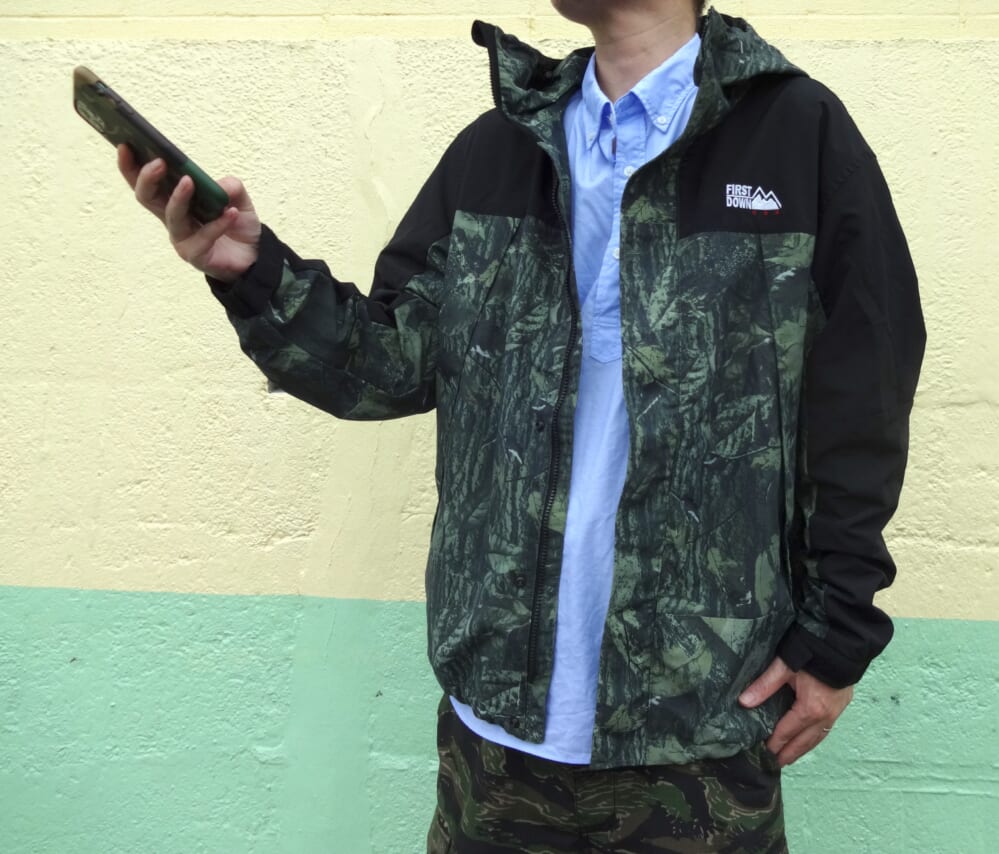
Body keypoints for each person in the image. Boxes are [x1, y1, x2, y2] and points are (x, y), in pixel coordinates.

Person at [118, 0, 925, 849]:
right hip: (496, 740)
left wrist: (837, 637)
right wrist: (249, 270)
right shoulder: (499, 149)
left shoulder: (798, 138)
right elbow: (389, 363)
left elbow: (864, 395)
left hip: (701, 734)